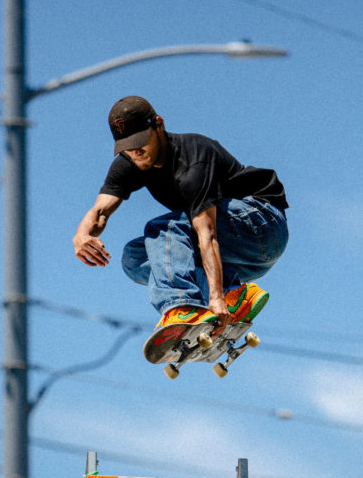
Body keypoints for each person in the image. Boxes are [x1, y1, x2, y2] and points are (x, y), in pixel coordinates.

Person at [73, 95, 288, 333]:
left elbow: (208, 234)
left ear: (159, 125)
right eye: (128, 147)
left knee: (164, 229)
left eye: (141, 142)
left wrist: (214, 298)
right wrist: (82, 235)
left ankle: (183, 305)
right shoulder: (129, 164)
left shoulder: (193, 160)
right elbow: (100, 210)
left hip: (261, 224)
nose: (136, 152)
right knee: (134, 258)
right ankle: (235, 296)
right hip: (237, 255)